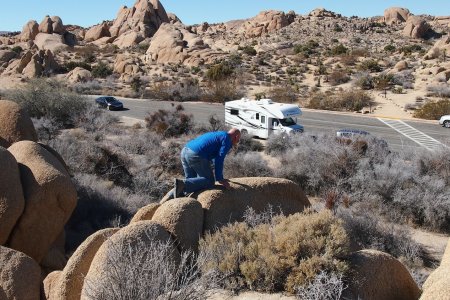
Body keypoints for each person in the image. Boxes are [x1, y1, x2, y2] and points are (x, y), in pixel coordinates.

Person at [162, 128, 241, 202]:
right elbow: (219, 159)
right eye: (238, 139)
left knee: (192, 182)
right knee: (209, 181)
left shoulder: (219, 134)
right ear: (236, 137)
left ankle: (170, 196)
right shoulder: (227, 139)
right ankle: (181, 185)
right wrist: (220, 179)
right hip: (196, 154)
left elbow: (215, 156)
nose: (238, 141)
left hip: (185, 151)